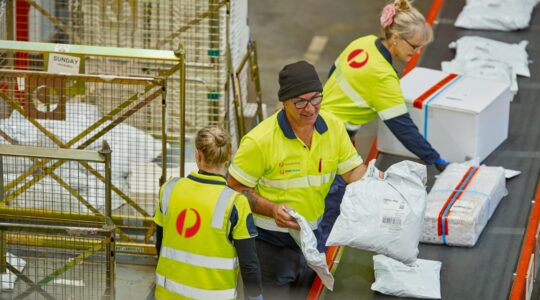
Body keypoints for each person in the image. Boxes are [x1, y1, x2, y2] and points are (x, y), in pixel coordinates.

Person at [227, 60, 368, 299]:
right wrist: (271, 209)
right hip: (270, 245)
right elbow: (234, 188)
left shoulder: (333, 128)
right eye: (300, 101)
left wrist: (378, 185)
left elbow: (352, 171)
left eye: (316, 98)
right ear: (284, 102)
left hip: (313, 240)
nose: (310, 108)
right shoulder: (260, 141)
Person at [317, 0, 448, 249]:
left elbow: (333, 72)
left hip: (322, 124)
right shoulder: (383, 76)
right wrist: (435, 159)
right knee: (332, 203)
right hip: (334, 139)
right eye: (415, 46)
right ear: (396, 38)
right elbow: (402, 128)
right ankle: (318, 261)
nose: (417, 52)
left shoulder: (363, 43)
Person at [154, 125, 263, 300]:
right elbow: (249, 264)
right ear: (230, 154)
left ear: (197, 155)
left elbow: (160, 245)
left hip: (167, 295)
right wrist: (255, 296)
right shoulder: (235, 203)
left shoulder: (169, 190)